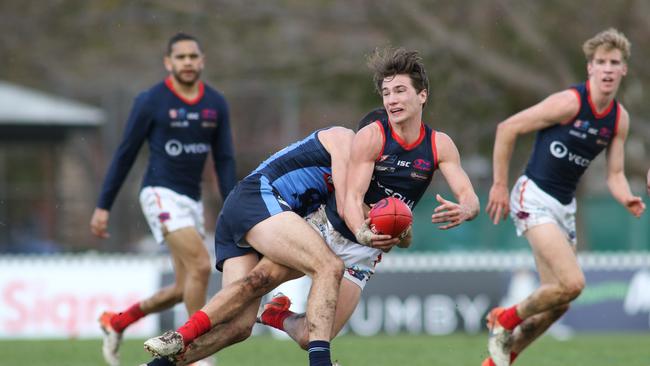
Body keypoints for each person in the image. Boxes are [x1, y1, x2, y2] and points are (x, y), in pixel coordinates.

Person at [141, 47, 480, 366]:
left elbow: (464, 196)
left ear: (422, 96)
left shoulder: (439, 145)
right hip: (319, 225)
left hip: (362, 253)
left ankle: (174, 357)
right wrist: (366, 228)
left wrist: (464, 209)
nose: (392, 99)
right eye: (387, 93)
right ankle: (181, 335)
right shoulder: (363, 139)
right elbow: (349, 198)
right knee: (270, 279)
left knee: (288, 331)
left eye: (400, 91)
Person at [484, 28, 645, 366]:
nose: (607, 69)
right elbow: (507, 129)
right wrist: (499, 184)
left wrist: (626, 197)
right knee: (573, 283)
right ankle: (505, 318)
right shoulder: (569, 103)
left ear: (623, 70)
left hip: (564, 207)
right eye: (600, 62)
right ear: (590, 68)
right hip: (534, 196)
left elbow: (614, 174)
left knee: (559, 303)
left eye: (614, 62)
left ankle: (499, 359)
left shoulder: (618, 119)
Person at [143, 126, 357, 366]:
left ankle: (157, 364)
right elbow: (345, 205)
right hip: (257, 197)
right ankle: (321, 363)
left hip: (251, 214)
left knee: (239, 325)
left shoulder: (359, 168)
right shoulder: (345, 138)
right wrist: (367, 233)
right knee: (328, 265)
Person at [90, 32, 236, 366]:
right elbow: (125, 154)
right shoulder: (151, 101)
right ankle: (196, 353)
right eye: (180, 57)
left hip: (191, 201)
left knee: (183, 286)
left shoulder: (215, 103)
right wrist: (103, 205)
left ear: (202, 61)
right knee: (201, 264)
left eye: (192, 56)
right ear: (168, 63)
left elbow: (225, 159)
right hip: (159, 193)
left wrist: (232, 206)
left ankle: (117, 322)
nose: (187, 62)